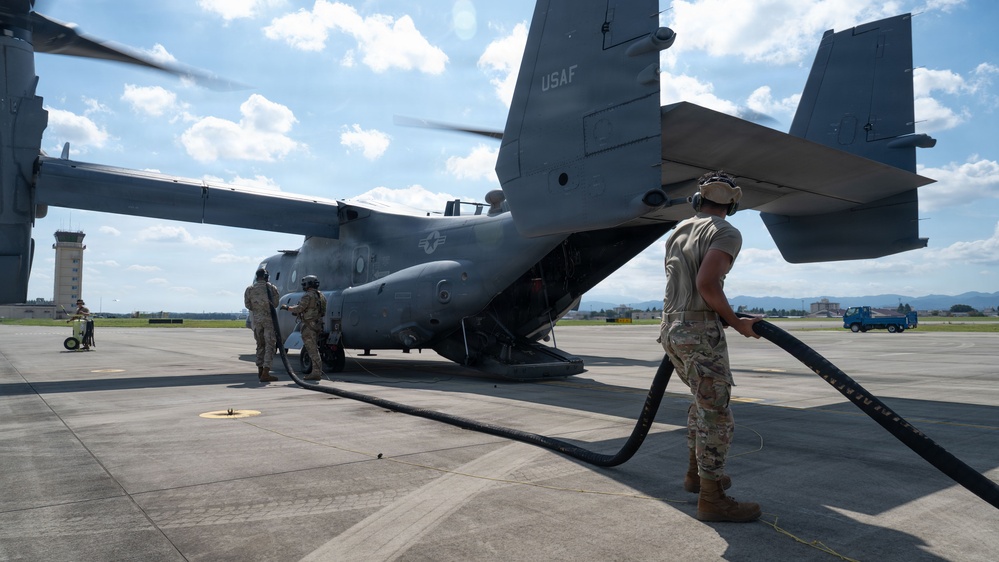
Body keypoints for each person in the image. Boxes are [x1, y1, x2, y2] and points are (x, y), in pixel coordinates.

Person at [658, 171, 763, 523]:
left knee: (701, 406)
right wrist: (738, 324)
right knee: (716, 416)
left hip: (672, 329)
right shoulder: (725, 232)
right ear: (732, 205)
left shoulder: (678, 232)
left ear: (697, 201)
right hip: (699, 332)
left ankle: (696, 477)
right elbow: (708, 284)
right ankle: (712, 498)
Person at [281, 275, 327, 381]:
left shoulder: (307, 296)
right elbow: (322, 311)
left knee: (312, 349)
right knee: (314, 348)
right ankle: (317, 371)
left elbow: (299, 308)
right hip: (317, 325)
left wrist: (287, 308)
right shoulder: (321, 296)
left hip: (309, 326)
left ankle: (316, 372)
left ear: (308, 284)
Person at [244, 268, 280, 382]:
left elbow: (248, 305)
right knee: (270, 346)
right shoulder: (271, 288)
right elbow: (275, 303)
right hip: (268, 321)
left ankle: (260, 371)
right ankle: (265, 372)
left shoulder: (250, 289)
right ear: (266, 277)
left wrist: (258, 309)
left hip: (257, 322)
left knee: (260, 345)